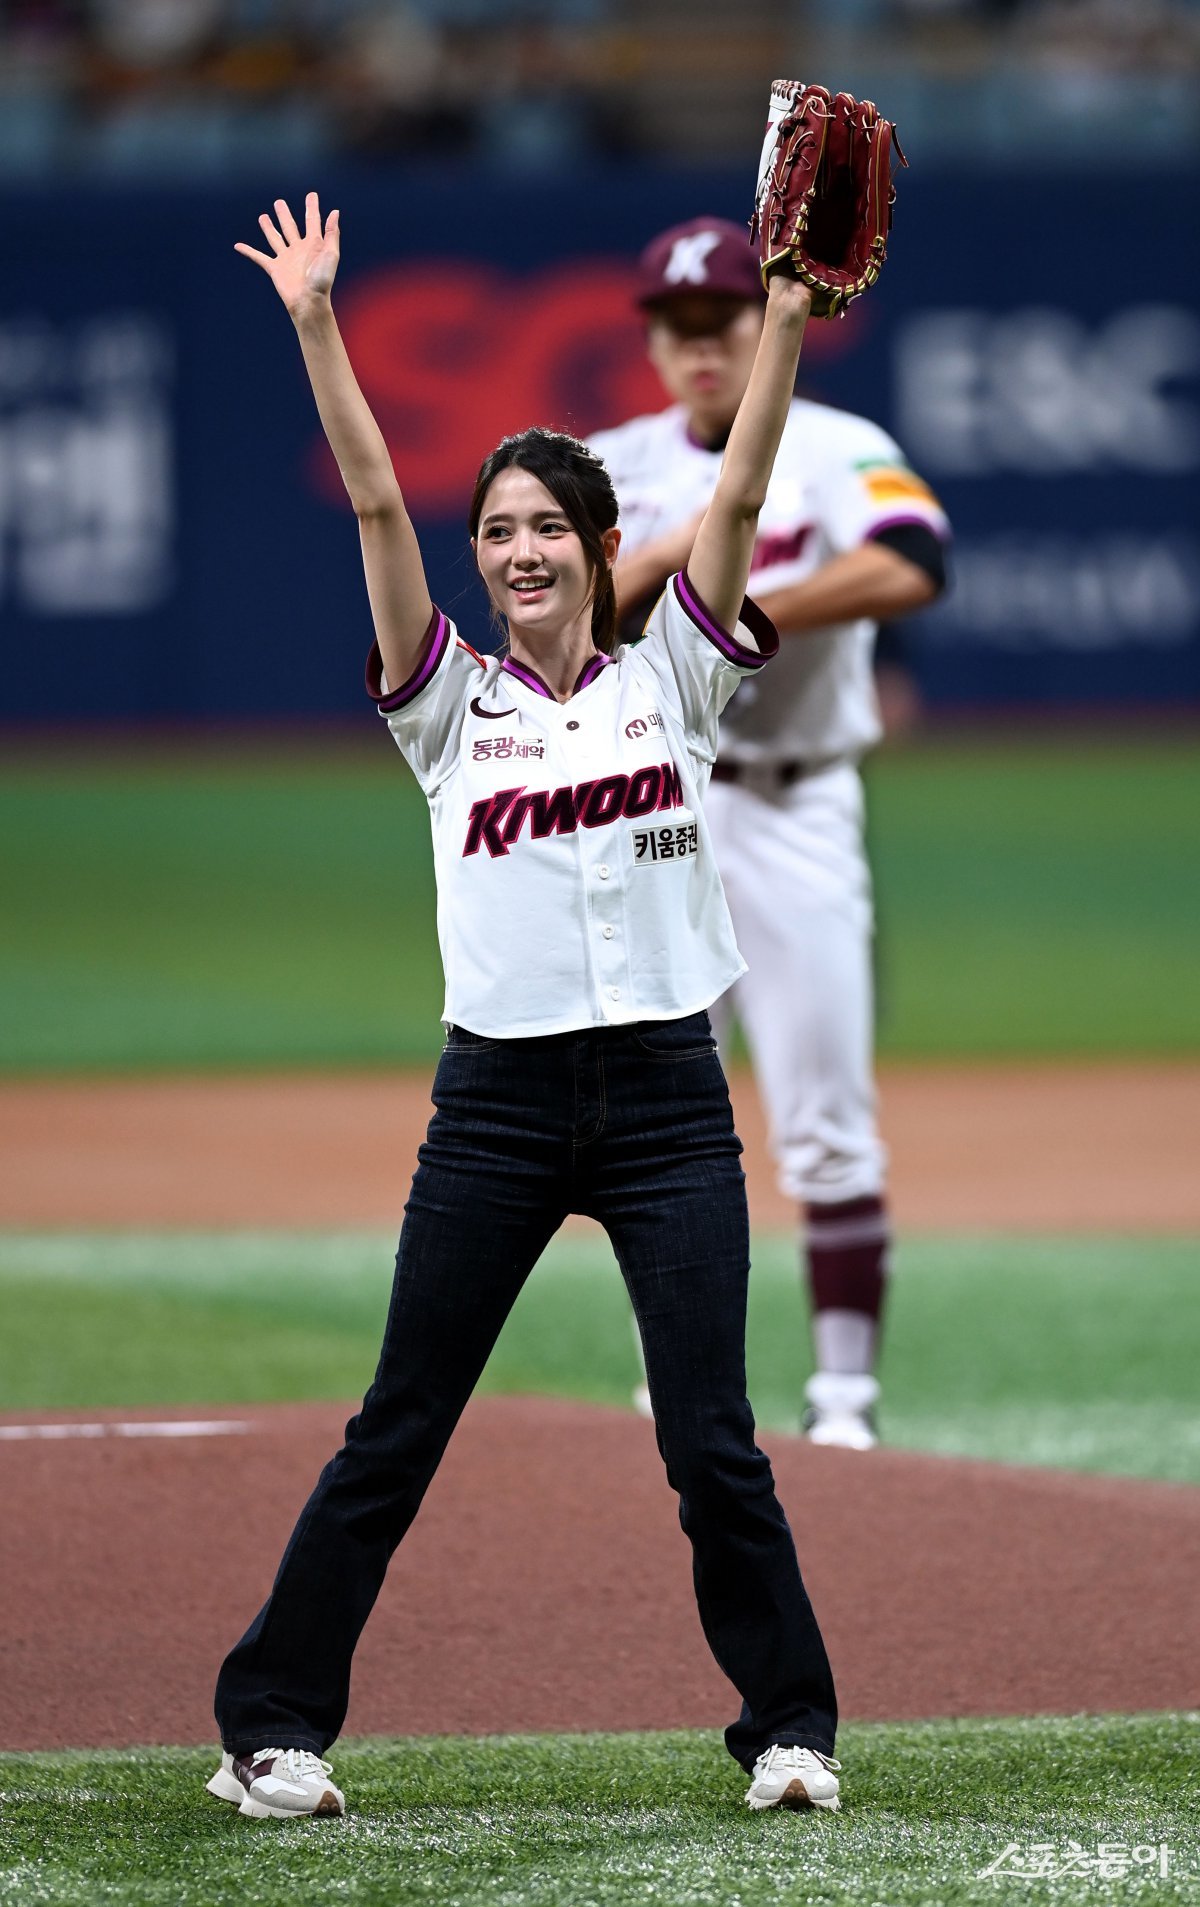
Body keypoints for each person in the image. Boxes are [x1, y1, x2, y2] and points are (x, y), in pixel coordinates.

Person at [205, 190, 841, 1822]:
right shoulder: (446, 706)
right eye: (496, 529)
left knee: (711, 1438)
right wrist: (317, 325)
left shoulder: (675, 676)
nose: (519, 550)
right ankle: (269, 1724)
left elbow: (743, 484)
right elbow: (372, 497)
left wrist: (782, 314)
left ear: (600, 548)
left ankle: (790, 1728)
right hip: (494, 1106)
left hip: (669, 1105)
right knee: (401, 1422)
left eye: (548, 525)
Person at [587, 217, 951, 1451]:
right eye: (675, 328)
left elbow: (913, 559)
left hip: (799, 806)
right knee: (656, 1120)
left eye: (722, 323)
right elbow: (553, 620)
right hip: (659, 811)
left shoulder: (839, 447)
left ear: (766, 324)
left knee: (826, 1116)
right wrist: (673, 570)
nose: (699, 348)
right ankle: (673, 1385)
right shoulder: (610, 464)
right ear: (650, 342)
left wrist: (749, 607)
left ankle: (845, 1399)